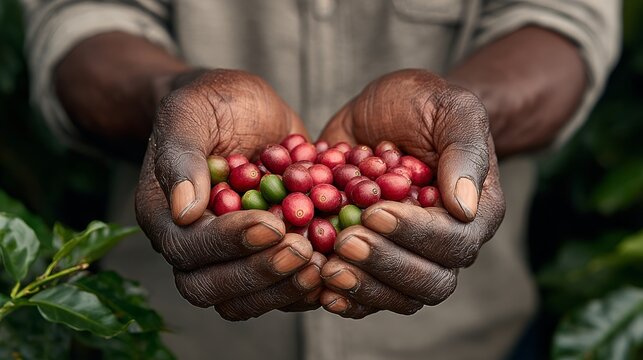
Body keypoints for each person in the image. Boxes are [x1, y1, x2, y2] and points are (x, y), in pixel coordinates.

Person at [21, 1, 620, 359]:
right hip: (178, 344)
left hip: (469, 345)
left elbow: (562, 21)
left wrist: (465, 117)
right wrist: (171, 100)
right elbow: (79, 20)